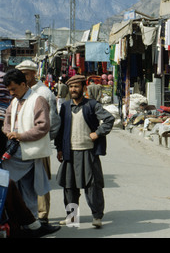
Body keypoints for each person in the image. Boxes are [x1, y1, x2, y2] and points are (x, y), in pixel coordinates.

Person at [55, 75, 115, 228]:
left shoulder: (92, 105)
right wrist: (59, 149)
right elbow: (61, 130)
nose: (73, 89)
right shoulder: (65, 106)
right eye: (71, 87)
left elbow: (109, 119)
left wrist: (98, 132)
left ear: (84, 88)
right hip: (70, 152)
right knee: (69, 187)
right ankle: (72, 217)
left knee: (92, 186)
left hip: (88, 152)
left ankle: (97, 216)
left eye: (76, 86)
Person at [1, 69, 53, 219]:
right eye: (9, 90)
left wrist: (21, 135)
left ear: (23, 84)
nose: (11, 93)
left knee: (28, 191)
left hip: (29, 152)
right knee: (15, 190)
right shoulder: (14, 101)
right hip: (15, 151)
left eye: (13, 89)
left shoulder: (38, 100)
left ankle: (32, 223)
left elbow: (43, 126)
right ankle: (22, 223)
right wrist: (8, 133)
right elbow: (7, 122)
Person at [16, 60, 60, 225]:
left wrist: (46, 141)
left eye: (26, 74)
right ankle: (27, 215)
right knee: (24, 181)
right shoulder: (22, 91)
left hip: (40, 144)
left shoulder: (44, 93)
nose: (24, 77)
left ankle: (42, 216)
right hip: (23, 144)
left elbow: (54, 122)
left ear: (34, 74)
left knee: (40, 181)